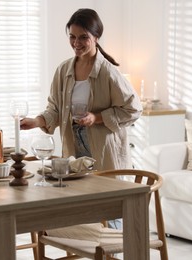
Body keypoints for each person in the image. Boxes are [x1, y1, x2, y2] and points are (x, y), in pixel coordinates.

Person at [20, 8, 142, 171]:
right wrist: (36, 122)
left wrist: (96, 118)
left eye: (83, 37)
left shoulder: (108, 72)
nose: (76, 43)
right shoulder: (63, 70)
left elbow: (133, 109)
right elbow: (55, 109)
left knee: (103, 195)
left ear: (96, 38)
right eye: (72, 36)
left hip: (103, 151)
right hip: (72, 147)